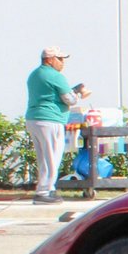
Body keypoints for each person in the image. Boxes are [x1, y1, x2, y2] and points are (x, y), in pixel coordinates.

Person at [25, 48, 90, 204]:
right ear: (49, 59)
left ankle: (48, 188)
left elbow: (50, 94)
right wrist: (77, 91)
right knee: (52, 157)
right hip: (50, 119)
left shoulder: (34, 74)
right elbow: (70, 100)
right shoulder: (55, 76)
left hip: (34, 118)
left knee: (43, 157)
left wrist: (72, 90)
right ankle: (44, 192)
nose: (63, 63)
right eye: (60, 59)